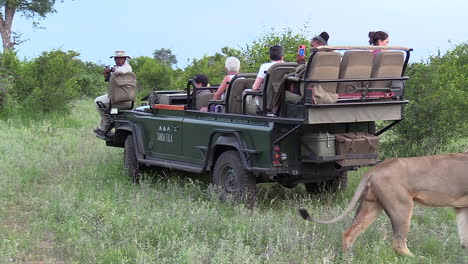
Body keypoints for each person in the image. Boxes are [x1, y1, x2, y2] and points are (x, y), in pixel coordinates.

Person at [94, 50, 132, 135]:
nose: (118, 60)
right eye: (116, 58)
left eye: (120, 58)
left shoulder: (127, 68)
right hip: (119, 96)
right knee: (103, 104)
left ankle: (106, 125)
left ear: (125, 59)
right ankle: (104, 126)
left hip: (121, 97)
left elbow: (119, 71)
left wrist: (111, 70)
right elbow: (112, 83)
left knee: (97, 101)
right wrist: (107, 76)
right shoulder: (117, 68)